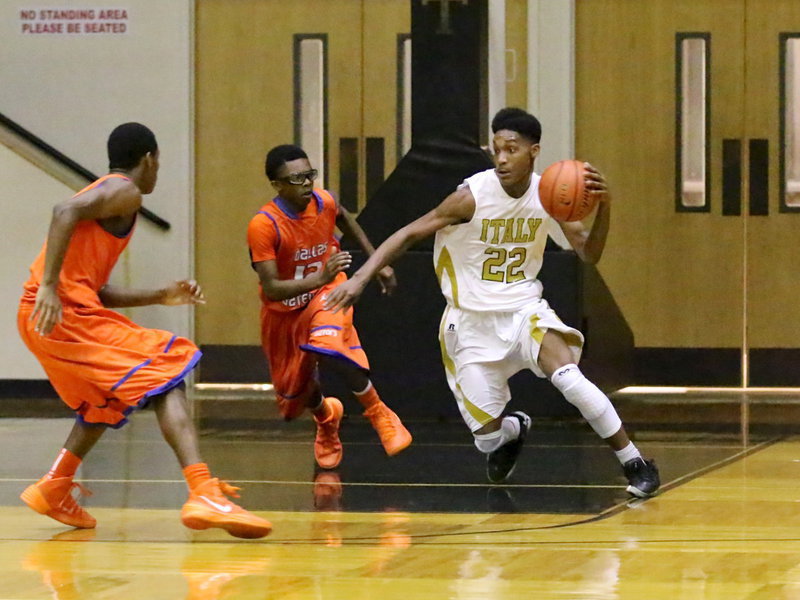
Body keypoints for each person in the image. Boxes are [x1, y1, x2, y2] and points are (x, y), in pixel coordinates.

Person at [325, 108, 660, 497]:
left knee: (571, 379)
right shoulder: (471, 196)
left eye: (511, 150)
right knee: (486, 438)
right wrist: (361, 279)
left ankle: (635, 463)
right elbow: (407, 233)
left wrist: (606, 208)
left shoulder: (549, 194)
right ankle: (512, 429)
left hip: (523, 310)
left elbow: (588, 253)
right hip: (468, 322)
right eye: (496, 149)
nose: (501, 158)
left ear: (533, 151)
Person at [18, 122, 272, 538]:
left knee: (106, 400)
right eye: (159, 163)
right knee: (168, 364)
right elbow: (62, 211)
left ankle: (55, 485)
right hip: (60, 313)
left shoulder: (110, 198)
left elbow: (94, 291)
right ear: (150, 159)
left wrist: (160, 294)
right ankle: (203, 489)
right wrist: (48, 287)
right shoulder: (124, 190)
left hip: (54, 315)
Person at [246, 144, 412, 469]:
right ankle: (326, 418)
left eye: (310, 175)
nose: (307, 183)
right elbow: (272, 288)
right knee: (295, 394)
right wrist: (318, 276)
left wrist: (378, 264)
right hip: (285, 311)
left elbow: (347, 221)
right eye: (296, 179)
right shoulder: (264, 225)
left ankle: (379, 412)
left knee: (328, 344)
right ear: (277, 185)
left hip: (328, 293)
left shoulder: (325, 202)